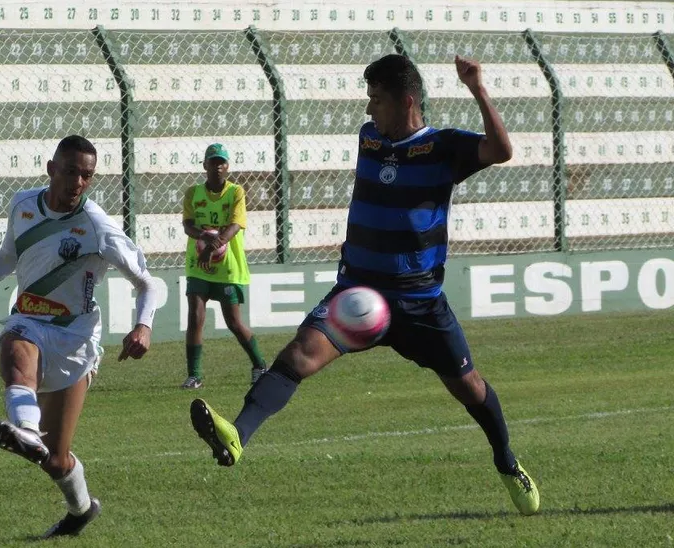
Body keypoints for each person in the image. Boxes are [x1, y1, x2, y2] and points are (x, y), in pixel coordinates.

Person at [188, 55, 541, 516]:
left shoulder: (443, 147)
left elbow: (501, 150)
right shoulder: (370, 137)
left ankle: (507, 462)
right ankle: (237, 434)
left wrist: (477, 89)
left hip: (419, 303)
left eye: (377, 99)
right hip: (358, 293)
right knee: (297, 355)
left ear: (407, 101)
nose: (370, 109)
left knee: (470, 387)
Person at [0, 135, 158, 537]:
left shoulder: (98, 226)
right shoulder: (23, 205)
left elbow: (148, 283)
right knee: (14, 349)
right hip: (30, 320)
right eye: (72, 171)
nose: (79, 182)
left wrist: (143, 325)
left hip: (76, 339)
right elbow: (5, 259)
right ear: (51, 169)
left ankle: (80, 510)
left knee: (56, 461)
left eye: (88, 175)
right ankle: (25, 427)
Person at [180, 143, 267, 389]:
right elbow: (187, 225)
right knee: (195, 317)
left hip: (228, 267)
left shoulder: (236, 192)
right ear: (204, 166)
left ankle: (260, 364)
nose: (217, 167)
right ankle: (194, 375)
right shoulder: (192, 193)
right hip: (199, 265)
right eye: (213, 162)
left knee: (234, 323)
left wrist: (212, 244)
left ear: (227, 166)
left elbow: (235, 225)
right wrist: (203, 237)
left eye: (222, 162)